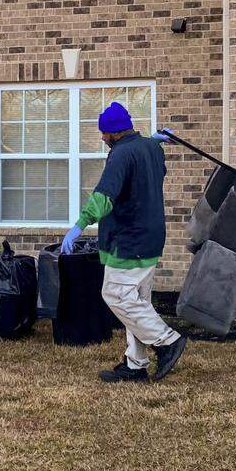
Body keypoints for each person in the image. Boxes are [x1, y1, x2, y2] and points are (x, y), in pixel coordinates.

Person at [60, 102, 188, 383]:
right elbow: (149, 175)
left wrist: (79, 226)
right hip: (152, 237)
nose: (102, 138)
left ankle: (167, 342)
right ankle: (135, 364)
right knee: (138, 301)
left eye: (104, 133)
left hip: (129, 240)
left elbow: (104, 197)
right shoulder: (152, 148)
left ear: (114, 133)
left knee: (116, 295)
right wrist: (151, 142)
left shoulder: (120, 155)